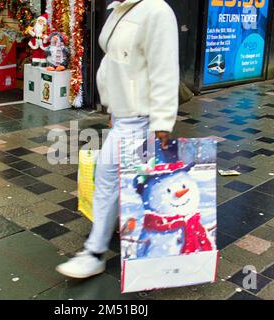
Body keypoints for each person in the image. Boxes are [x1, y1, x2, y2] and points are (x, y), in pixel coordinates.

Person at [56, 0, 179, 279]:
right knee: (122, 179)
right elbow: (114, 62)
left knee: (109, 176)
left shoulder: (157, 11)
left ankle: (95, 252)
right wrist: (112, 106)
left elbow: (165, 70)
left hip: (141, 116)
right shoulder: (119, 9)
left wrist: (162, 122)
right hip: (124, 115)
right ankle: (129, 238)